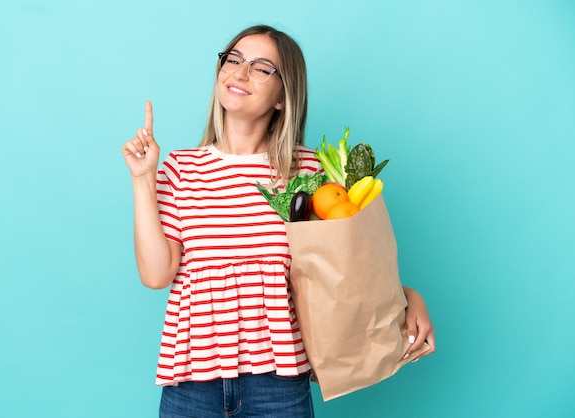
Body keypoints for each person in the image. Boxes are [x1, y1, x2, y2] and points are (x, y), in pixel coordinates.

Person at [122, 24, 436, 418]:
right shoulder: (182, 168)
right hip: (191, 383)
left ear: (283, 98)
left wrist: (410, 297)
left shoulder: (307, 171)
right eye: (233, 60)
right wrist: (142, 179)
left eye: (260, 67)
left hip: (279, 384)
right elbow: (156, 274)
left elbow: (343, 270)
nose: (239, 73)